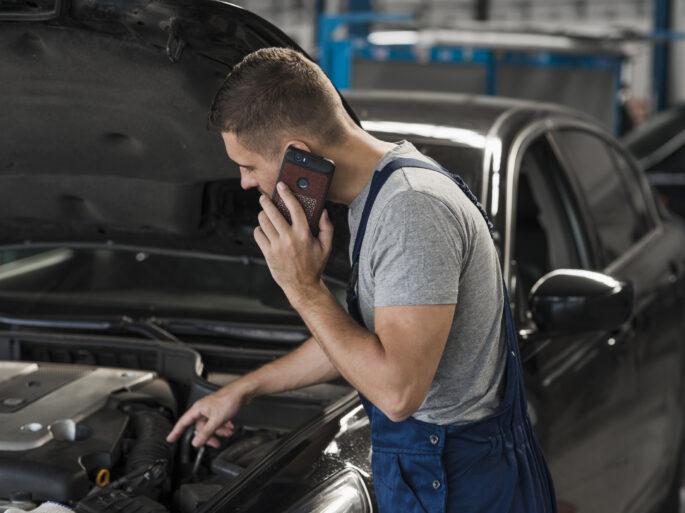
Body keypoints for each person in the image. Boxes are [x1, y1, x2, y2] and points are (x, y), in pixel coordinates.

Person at [166, 47, 556, 513]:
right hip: (436, 476)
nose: (245, 182)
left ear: (298, 156)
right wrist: (244, 388)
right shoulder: (382, 196)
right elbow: (361, 342)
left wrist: (302, 287)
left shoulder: (411, 211)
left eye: (248, 166)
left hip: (456, 486)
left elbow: (396, 392)